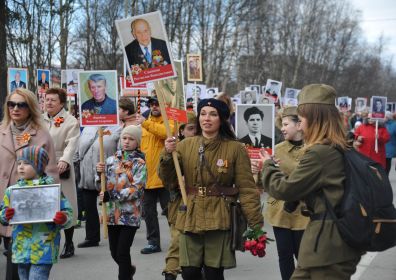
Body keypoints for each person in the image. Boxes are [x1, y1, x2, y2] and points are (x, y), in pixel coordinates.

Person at [260, 84, 363, 279]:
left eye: (301, 119)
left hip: (325, 242)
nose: (299, 124)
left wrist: (267, 166)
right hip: (332, 239)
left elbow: (285, 189)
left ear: (315, 119)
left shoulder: (320, 152)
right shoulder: (338, 145)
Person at [159, 98, 263, 280]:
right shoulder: (184, 145)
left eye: (213, 114)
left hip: (220, 215)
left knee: (214, 273)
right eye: (203, 114)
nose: (206, 118)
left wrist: (255, 224)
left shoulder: (236, 148)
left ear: (222, 119)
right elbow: (169, 181)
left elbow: (247, 188)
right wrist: (167, 154)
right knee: (189, 272)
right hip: (190, 214)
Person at [0, 88, 59, 279]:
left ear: (31, 107)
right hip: (3, 202)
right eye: (11, 104)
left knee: (17, 263)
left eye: (21, 104)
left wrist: (51, 208)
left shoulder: (41, 135)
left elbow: (50, 175)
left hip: (26, 208)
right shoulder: (1, 130)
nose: (15, 108)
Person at [0, 146, 72, 280]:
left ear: (39, 166)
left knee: (37, 277)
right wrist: (5, 215)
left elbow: (68, 212)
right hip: (21, 248)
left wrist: (63, 218)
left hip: (44, 248)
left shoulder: (51, 190)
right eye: (19, 163)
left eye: (27, 163)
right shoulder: (12, 191)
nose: (21, 167)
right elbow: (3, 213)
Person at [261, 107, 309, 280]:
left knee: (303, 257)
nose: (282, 128)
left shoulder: (314, 148)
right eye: (281, 124)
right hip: (280, 210)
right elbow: (266, 180)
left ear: (299, 125)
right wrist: (261, 169)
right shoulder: (277, 149)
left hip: (305, 211)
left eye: (286, 124)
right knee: (285, 255)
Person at [96, 125, 146, 280]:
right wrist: (99, 174)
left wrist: (113, 195)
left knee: (122, 252)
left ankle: (124, 276)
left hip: (130, 214)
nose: (127, 142)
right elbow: (100, 186)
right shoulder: (110, 160)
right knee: (114, 252)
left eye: (131, 139)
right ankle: (128, 269)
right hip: (112, 214)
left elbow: (137, 188)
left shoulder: (139, 163)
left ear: (137, 142)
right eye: (124, 138)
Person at [43, 88, 80, 259]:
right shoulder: (39, 119)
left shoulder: (70, 121)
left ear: (61, 103)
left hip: (61, 166)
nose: (48, 103)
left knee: (66, 204)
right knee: (45, 204)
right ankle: (46, 241)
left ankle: (69, 242)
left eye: (52, 100)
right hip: (41, 166)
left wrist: (65, 159)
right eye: (46, 99)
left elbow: (72, 143)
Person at [134, 97, 174, 254]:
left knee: (171, 212)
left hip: (164, 177)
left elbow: (165, 133)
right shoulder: (145, 121)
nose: (154, 106)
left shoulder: (170, 119)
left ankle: (178, 240)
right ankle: (153, 242)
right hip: (147, 177)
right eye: (151, 104)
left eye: (157, 103)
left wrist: (145, 123)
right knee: (148, 213)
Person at [162, 111, 197, 280]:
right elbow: (165, 178)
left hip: (203, 203)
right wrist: (168, 155)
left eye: (196, 129)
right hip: (180, 203)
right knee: (177, 240)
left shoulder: (207, 146)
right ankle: (170, 273)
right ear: (181, 131)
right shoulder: (175, 150)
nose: (194, 132)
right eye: (190, 129)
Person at [76, 125, 121, 248]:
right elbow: (78, 150)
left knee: (113, 204)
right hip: (87, 174)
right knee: (89, 207)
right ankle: (92, 237)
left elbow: (120, 154)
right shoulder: (87, 128)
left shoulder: (118, 128)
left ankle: (117, 233)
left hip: (106, 175)